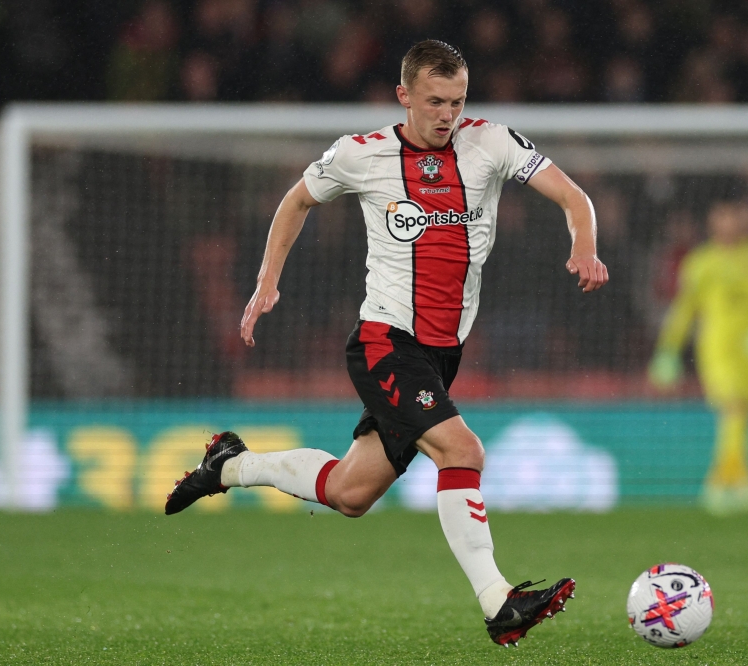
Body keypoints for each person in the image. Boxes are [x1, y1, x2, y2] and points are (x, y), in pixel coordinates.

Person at [165, 40, 608, 646]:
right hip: (384, 341)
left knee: (350, 494)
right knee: (463, 453)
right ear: (404, 96)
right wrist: (267, 282)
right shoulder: (361, 154)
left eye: (456, 100)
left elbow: (573, 196)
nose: (447, 113)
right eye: (434, 101)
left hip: (441, 353)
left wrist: (583, 245)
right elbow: (296, 200)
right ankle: (498, 600)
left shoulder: (493, 143)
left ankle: (230, 465)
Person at [648, 201, 748, 515]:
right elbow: (685, 309)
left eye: (733, 219)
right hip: (717, 348)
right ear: (713, 225)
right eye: (721, 220)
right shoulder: (701, 262)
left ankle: (727, 482)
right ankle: (730, 485)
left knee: (742, 417)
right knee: (734, 408)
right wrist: (668, 349)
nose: (728, 226)